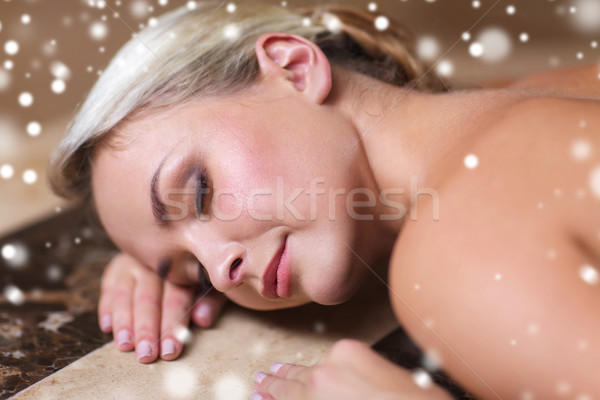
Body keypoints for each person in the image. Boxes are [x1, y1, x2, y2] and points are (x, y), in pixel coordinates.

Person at [47, 2, 600, 399]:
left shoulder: (451, 255)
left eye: (198, 191)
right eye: (195, 271)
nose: (221, 269)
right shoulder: (542, 93)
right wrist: (154, 252)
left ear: (294, 68)